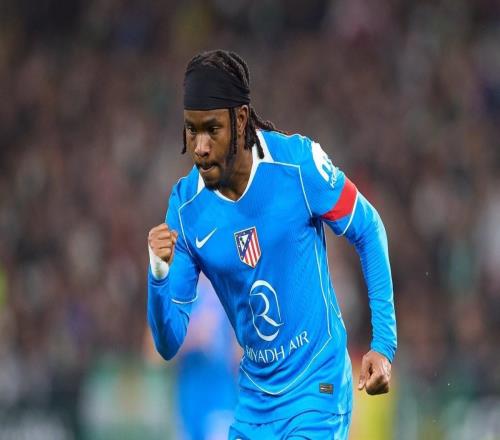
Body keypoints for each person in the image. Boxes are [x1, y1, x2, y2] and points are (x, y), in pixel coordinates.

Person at [147, 49, 397, 439]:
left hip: (317, 387)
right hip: (255, 404)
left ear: (240, 119)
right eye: (191, 130)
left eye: (212, 129)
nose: (200, 146)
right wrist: (159, 276)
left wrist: (383, 344)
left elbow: (368, 227)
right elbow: (168, 342)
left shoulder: (297, 164)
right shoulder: (186, 208)